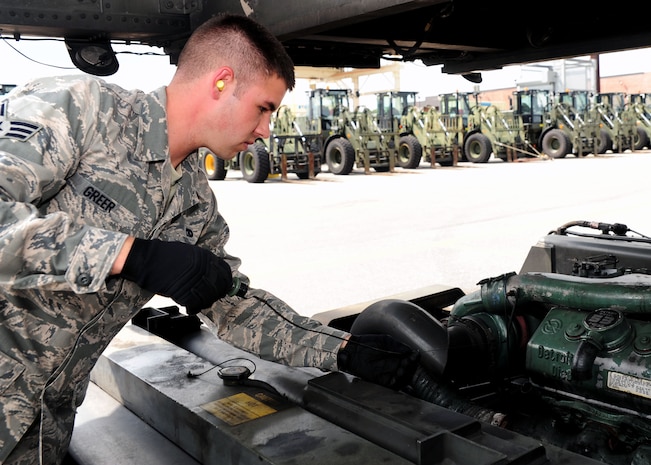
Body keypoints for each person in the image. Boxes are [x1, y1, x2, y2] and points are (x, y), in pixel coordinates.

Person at [0, 14, 418, 465]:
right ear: (221, 82)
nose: (265, 132)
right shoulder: (79, 110)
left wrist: (342, 350)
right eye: (263, 108)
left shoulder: (193, 202)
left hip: (43, 428)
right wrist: (129, 255)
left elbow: (234, 304)